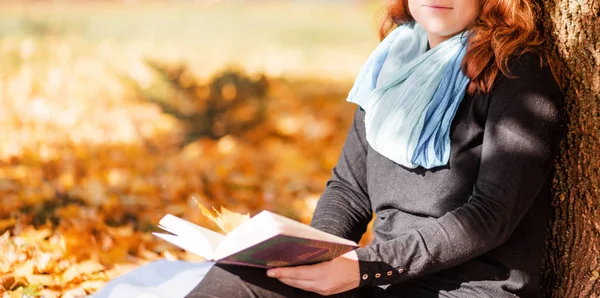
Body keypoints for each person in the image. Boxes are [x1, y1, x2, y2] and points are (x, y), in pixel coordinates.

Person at [184, 0, 564, 296]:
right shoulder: (394, 61)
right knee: (237, 281)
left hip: (461, 291)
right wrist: (311, 260)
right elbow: (349, 191)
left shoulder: (520, 73)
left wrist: (367, 267)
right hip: (378, 281)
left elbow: (489, 217)